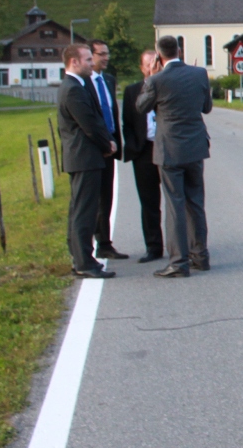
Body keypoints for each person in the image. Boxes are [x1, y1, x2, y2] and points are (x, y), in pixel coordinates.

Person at [137, 35, 213, 278]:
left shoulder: (156, 80)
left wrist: (150, 77)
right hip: (195, 147)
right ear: (179, 50)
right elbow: (207, 107)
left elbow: (141, 107)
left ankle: (179, 262)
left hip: (169, 150)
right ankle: (200, 256)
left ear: (159, 56)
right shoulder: (199, 73)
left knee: (175, 206)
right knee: (195, 202)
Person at [57, 44, 116, 279]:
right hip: (84, 157)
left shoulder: (75, 86)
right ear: (74, 62)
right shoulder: (73, 89)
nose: (92, 64)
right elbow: (88, 124)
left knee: (80, 209)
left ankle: (80, 258)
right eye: (88, 60)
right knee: (84, 211)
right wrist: (107, 144)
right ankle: (83, 261)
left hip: (82, 157)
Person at [122, 49, 165, 264]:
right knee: (149, 203)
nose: (152, 67)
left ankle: (181, 245)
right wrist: (135, 147)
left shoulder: (168, 86)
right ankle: (153, 247)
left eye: (155, 63)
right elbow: (127, 123)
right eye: (148, 64)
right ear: (142, 68)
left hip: (167, 148)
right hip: (144, 150)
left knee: (176, 200)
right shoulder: (132, 91)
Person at [88, 39, 127, 260]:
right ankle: (89, 245)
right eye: (101, 54)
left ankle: (104, 243)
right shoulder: (84, 83)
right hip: (93, 147)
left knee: (106, 196)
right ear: (90, 56)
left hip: (110, 145)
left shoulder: (108, 80)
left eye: (107, 53)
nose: (106, 58)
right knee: (92, 198)